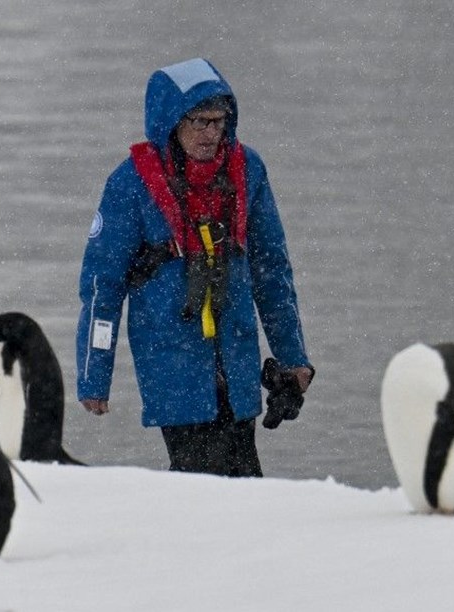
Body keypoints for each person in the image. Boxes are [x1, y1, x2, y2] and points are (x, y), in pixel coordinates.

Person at [75, 58, 313, 477]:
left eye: (219, 122)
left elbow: (272, 271)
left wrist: (293, 358)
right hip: (172, 366)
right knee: (197, 483)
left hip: (236, 359)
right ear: (170, 123)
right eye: (199, 122)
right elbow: (102, 286)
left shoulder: (248, 172)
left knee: (244, 482)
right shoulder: (130, 184)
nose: (211, 134)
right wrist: (95, 374)